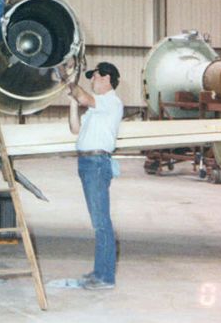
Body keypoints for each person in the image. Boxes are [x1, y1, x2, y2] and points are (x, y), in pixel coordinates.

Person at [63, 61, 123, 291]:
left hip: (96, 163)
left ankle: (105, 277)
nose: (92, 80)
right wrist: (72, 101)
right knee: (99, 222)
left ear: (107, 78)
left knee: (101, 223)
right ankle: (100, 272)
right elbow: (75, 129)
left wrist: (68, 79)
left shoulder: (110, 102)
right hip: (88, 163)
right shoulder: (97, 108)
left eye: (95, 76)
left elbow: (84, 97)